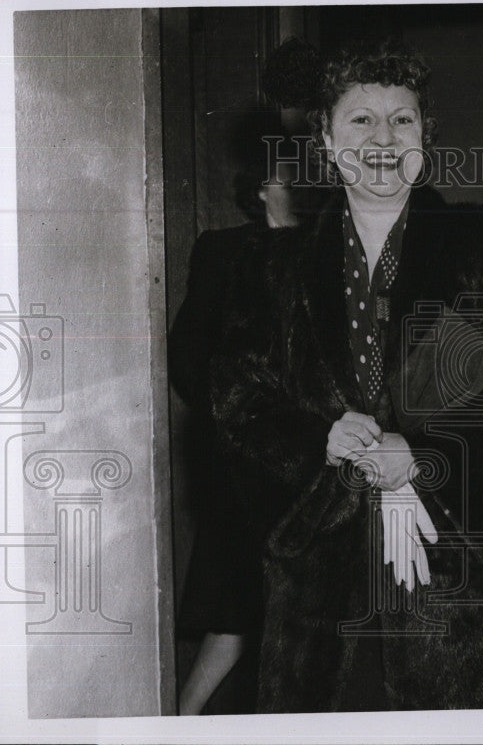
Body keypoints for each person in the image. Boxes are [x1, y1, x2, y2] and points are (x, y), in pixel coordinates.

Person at [208, 37, 483, 712]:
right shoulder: (269, 268)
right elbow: (237, 399)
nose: (384, 138)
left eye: (403, 119)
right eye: (361, 120)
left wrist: (422, 458)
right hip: (320, 578)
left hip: (457, 569)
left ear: (427, 137)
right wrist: (321, 440)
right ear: (328, 143)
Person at [171, 124, 319, 715]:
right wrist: (242, 415)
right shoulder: (222, 252)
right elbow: (189, 359)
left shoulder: (335, 252)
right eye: (288, 178)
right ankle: (179, 722)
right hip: (249, 462)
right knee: (237, 609)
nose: (302, 189)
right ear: (260, 188)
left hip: (319, 459)